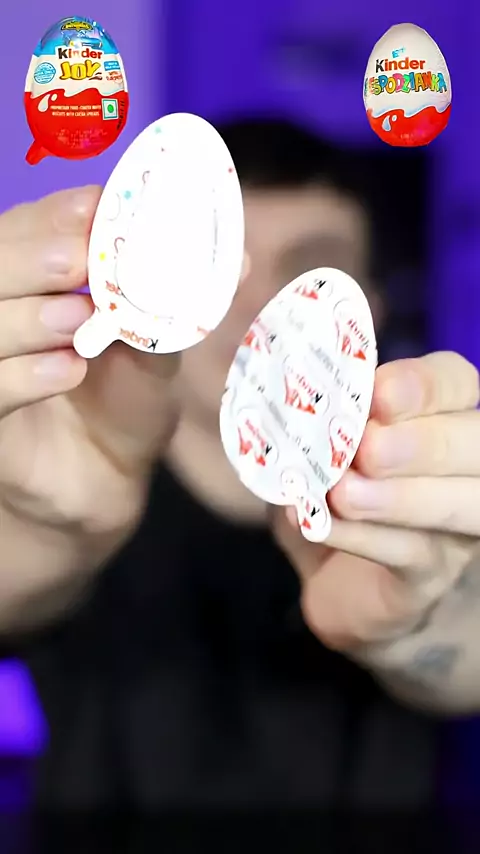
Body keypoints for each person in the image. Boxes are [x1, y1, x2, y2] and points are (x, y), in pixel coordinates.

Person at [0, 117, 479, 815]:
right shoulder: (76, 483)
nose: (258, 306)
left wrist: (415, 616)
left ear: (370, 307)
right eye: (221, 262)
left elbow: (466, 652)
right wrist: (47, 527)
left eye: (309, 270)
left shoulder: (406, 493)